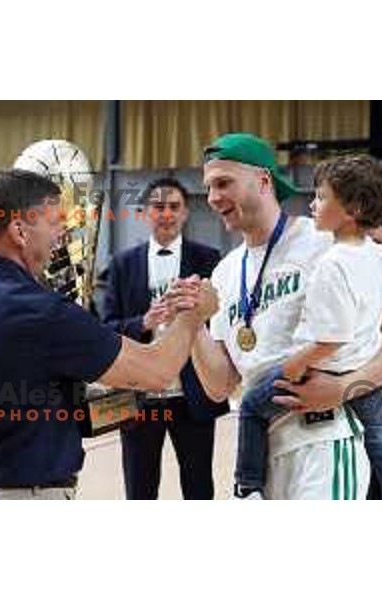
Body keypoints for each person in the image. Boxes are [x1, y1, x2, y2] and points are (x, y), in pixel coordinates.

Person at [0, 169, 218, 500]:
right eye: (55, 221)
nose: (63, 232)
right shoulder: (44, 310)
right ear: (19, 231)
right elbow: (156, 372)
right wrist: (192, 317)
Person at [166, 133, 382, 500]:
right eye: (209, 187)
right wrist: (192, 324)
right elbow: (220, 385)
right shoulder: (225, 272)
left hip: (324, 440)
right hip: (262, 453)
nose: (212, 198)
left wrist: (344, 387)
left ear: (263, 180)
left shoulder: (328, 242)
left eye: (224, 183)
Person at [234, 154, 382, 500]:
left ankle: (248, 485)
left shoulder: (330, 264)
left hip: (321, 369)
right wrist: (372, 301)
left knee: (252, 407)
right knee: (379, 437)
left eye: (321, 197)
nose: (312, 204)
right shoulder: (375, 253)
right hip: (363, 370)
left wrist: (298, 364)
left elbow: (331, 339)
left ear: (353, 209)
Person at [104, 177, 227, 499]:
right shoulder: (121, 264)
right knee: (140, 489)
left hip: (193, 391)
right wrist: (143, 321)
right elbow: (107, 327)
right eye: (158, 207)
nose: (166, 214)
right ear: (145, 213)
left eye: (174, 207)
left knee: (199, 487)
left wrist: (194, 318)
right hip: (138, 393)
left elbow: (224, 322)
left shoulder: (210, 259)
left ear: (186, 213)